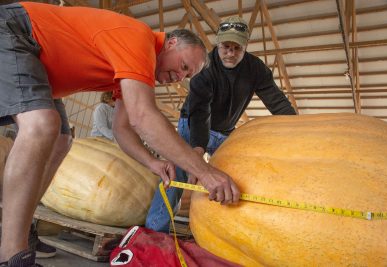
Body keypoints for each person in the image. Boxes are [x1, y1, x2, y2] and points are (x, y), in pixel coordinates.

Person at [0, 2, 240, 266]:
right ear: (170, 44)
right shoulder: (138, 38)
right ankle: (13, 255)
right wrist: (206, 172)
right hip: (16, 29)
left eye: (186, 76)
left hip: (39, 66)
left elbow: (122, 128)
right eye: (183, 66)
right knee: (42, 125)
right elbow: (142, 117)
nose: (179, 77)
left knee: (61, 139)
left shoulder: (131, 69)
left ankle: (22, 232)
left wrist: (153, 163)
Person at [146, 16, 297, 233]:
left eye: (237, 48)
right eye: (226, 47)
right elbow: (200, 112)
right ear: (218, 44)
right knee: (179, 172)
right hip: (194, 125)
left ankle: (226, 231)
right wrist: (197, 151)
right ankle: (154, 230)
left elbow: (277, 102)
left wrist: (297, 126)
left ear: (245, 47)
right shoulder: (204, 68)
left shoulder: (256, 69)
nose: (230, 53)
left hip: (226, 131)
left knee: (233, 175)